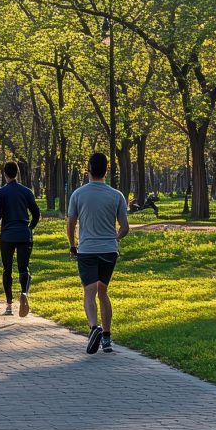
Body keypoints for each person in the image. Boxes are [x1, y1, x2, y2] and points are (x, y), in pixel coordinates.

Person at [67, 152, 129, 355]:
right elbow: (125, 227)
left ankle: (94, 328)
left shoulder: (78, 194)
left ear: (88, 170)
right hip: (109, 250)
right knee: (103, 292)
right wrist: (115, 239)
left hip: (87, 249)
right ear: (107, 170)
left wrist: (72, 244)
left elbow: (71, 223)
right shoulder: (116, 195)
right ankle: (107, 338)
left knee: (89, 291)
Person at [0, 161, 41, 317]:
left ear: (4, 174)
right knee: (23, 268)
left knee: (7, 269)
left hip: (7, 235)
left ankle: (9, 305)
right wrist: (30, 228)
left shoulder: (1, 192)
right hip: (24, 234)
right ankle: (24, 292)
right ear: (17, 173)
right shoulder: (26, 192)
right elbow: (36, 213)